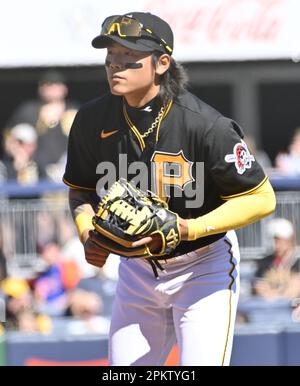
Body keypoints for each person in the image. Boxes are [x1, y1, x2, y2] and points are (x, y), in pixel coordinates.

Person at [63, 12, 276, 366]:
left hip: (202, 266)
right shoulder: (91, 119)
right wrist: (87, 234)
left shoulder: (206, 125)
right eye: (111, 55)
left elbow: (261, 197)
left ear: (162, 63)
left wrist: (188, 227)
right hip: (135, 271)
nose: (115, 65)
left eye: (130, 58)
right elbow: (81, 191)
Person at [253, 218, 300, 300]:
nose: (275, 244)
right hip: (268, 309)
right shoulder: (264, 263)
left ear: (290, 240)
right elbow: (259, 288)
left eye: (278, 240)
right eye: (274, 239)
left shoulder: (297, 262)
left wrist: (273, 293)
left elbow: (293, 291)